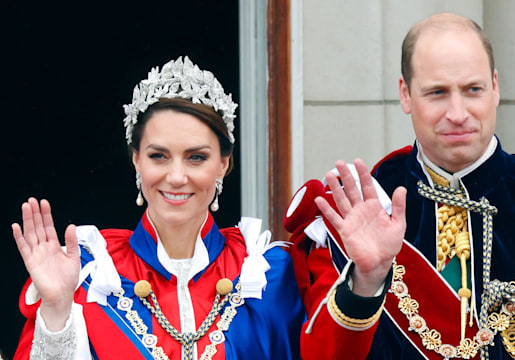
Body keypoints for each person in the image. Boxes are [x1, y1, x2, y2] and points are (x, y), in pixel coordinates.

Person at [283, 12, 515, 360]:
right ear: (405, 95)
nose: (457, 112)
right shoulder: (367, 204)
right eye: (437, 92)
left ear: (495, 87)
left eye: (472, 90)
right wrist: (366, 281)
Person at [12, 56, 305, 360]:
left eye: (196, 157)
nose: (176, 177)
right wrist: (58, 311)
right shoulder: (87, 277)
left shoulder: (266, 275)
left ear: (223, 164)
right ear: (137, 160)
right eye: (159, 156)